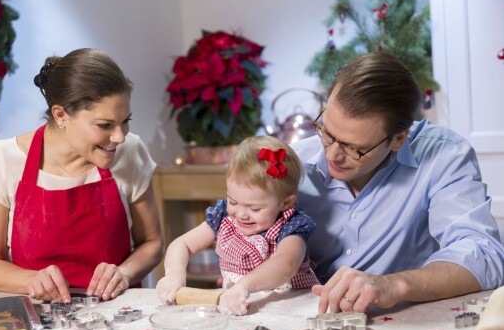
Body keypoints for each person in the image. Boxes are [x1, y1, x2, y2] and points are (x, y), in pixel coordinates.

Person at [292, 52, 504, 314]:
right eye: (327, 133)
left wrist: (394, 285)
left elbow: (484, 255)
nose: (332, 154)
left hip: (407, 323)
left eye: (354, 148)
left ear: (398, 139)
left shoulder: (445, 154)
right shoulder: (294, 163)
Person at [0, 48, 163, 303]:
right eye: (105, 125)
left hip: (118, 314)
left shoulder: (131, 152)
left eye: (125, 121)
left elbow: (152, 242)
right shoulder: (2, 160)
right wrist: (30, 280)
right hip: (38, 317)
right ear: (61, 115)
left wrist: (125, 273)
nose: (119, 137)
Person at [156, 136, 320, 315]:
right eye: (233, 201)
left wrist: (244, 286)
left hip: (292, 312)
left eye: (255, 208)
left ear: (286, 203)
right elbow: (183, 244)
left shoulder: (290, 226)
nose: (241, 214)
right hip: (241, 310)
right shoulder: (223, 218)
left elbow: (286, 264)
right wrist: (174, 275)